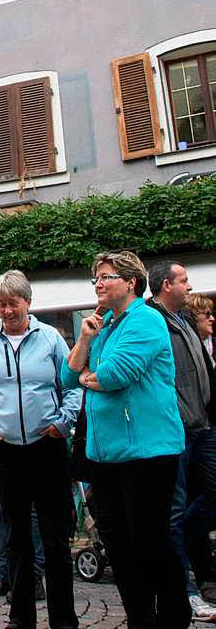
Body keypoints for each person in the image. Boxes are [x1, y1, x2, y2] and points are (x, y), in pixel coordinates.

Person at [63, 251, 190, 629]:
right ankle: (140, 618)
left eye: (106, 277)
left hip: (147, 452)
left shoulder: (145, 320)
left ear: (131, 282)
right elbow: (68, 376)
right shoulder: (104, 326)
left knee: (149, 542)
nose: (99, 284)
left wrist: (89, 376)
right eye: (96, 279)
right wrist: (85, 340)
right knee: (117, 544)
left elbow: (115, 376)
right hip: (105, 455)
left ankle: (173, 616)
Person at [0, 269, 80, 629]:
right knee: (15, 538)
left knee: (55, 538)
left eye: (12, 304)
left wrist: (63, 423)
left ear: (28, 303)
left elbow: (73, 383)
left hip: (46, 447)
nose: (6, 311)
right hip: (6, 451)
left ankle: (64, 619)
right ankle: (21, 619)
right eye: (0, 305)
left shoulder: (50, 338)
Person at [147, 260, 216, 623]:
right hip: (176, 429)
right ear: (164, 285)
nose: (189, 287)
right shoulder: (152, 319)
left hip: (203, 423)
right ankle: (183, 589)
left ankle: (182, 542)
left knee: (203, 500)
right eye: (183, 281)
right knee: (172, 511)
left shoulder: (184, 319)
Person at [0, 282, 45, 600]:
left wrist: (58, 423)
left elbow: (66, 382)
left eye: (0, 303)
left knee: (29, 508)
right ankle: (6, 569)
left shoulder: (46, 339)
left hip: (35, 439)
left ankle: (34, 573)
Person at [187, 293, 215, 363]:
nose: (212, 318)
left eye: (212, 314)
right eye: (208, 314)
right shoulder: (184, 347)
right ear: (193, 316)